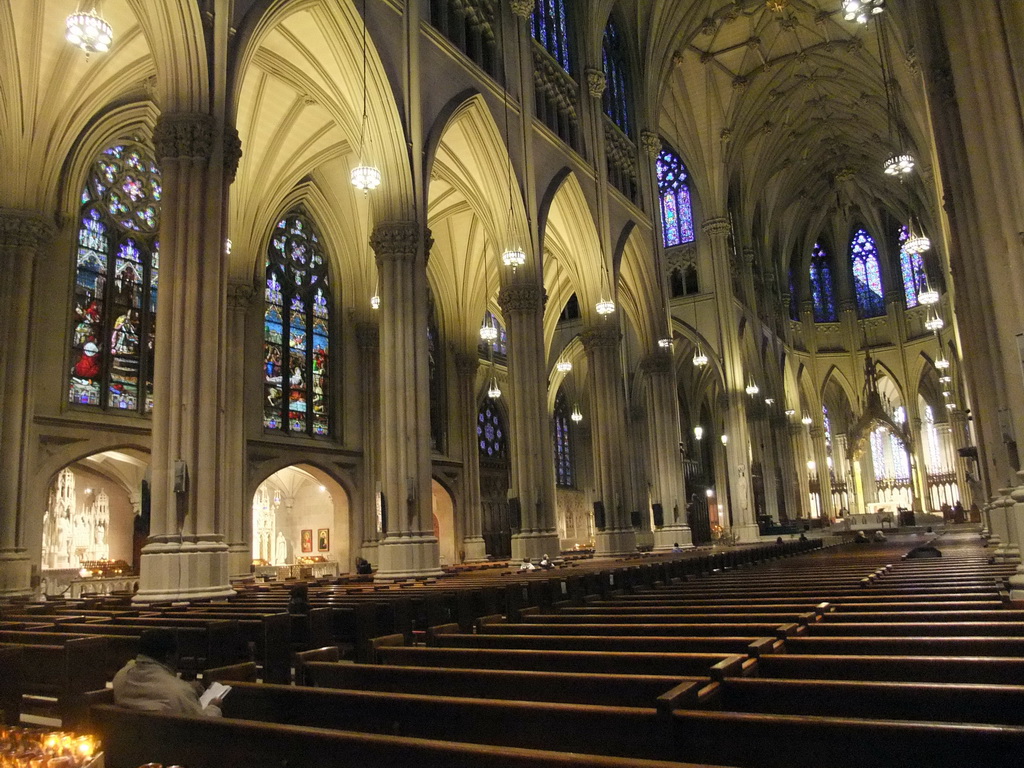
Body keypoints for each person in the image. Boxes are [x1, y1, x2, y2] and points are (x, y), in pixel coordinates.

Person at [112, 629, 224, 717]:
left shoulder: (120, 676)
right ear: (168, 656)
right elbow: (203, 724)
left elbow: (153, 687)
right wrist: (213, 707)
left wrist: (187, 687)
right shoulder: (179, 692)